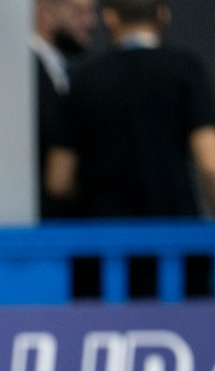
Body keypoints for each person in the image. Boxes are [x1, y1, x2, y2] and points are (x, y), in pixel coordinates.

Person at [46, 0, 215, 299]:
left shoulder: (84, 79)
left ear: (110, 18)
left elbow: (59, 181)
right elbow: (210, 163)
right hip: (176, 250)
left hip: (102, 253)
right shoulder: (185, 70)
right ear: (163, 16)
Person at [33, 0, 97, 219]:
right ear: (46, 14)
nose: (91, 22)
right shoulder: (21, 73)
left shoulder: (68, 72)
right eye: (80, 13)